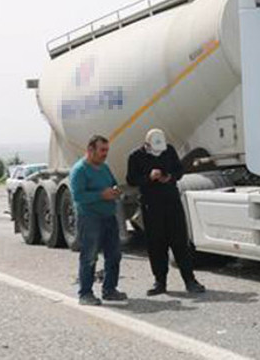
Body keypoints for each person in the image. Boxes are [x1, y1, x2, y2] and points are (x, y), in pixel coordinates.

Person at [126, 129, 206, 296]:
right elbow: (131, 179)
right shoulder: (135, 156)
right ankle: (160, 281)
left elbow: (179, 170)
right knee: (156, 244)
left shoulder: (169, 150)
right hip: (151, 204)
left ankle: (189, 280)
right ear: (146, 144)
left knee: (180, 242)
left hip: (171, 201)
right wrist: (149, 177)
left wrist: (170, 177)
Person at [70, 135, 127, 306]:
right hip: (90, 219)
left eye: (106, 150)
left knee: (114, 255)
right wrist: (101, 195)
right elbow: (78, 196)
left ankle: (109, 290)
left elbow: (113, 183)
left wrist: (116, 190)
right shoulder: (80, 170)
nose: (105, 154)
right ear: (90, 150)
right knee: (89, 256)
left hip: (108, 217)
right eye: (102, 150)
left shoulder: (104, 168)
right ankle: (85, 293)